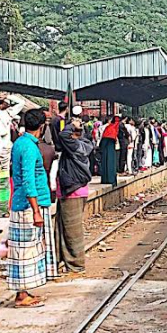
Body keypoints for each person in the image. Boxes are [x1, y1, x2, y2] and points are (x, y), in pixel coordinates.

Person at [8, 109, 52, 308]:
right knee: (26, 250)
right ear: (42, 126)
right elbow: (28, 180)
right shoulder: (29, 148)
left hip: (26, 203)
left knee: (28, 249)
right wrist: (35, 210)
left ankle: (24, 290)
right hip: (28, 206)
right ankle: (22, 296)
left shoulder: (20, 143)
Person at [56, 117, 94, 274]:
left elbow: (63, 136)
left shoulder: (77, 146)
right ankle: (62, 259)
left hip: (73, 191)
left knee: (72, 229)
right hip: (72, 190)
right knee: (62, 227)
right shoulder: (85, 144)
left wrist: (71, 125)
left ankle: (76, 263)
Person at [34, 111, 59, 281]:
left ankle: (40, 272)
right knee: (42, 239)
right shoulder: (48, 150)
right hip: (39, 200)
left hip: (34, 199)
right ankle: (43, 272)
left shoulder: (22, 145)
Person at [99, 115, 120, 186]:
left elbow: (104, 138)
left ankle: (106, 179)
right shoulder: (115, 128)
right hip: (111, 149)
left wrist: (100, 148)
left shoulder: (109, 127)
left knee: (106, 163)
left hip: (105, 148)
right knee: (111, 164)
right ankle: (112, 179)